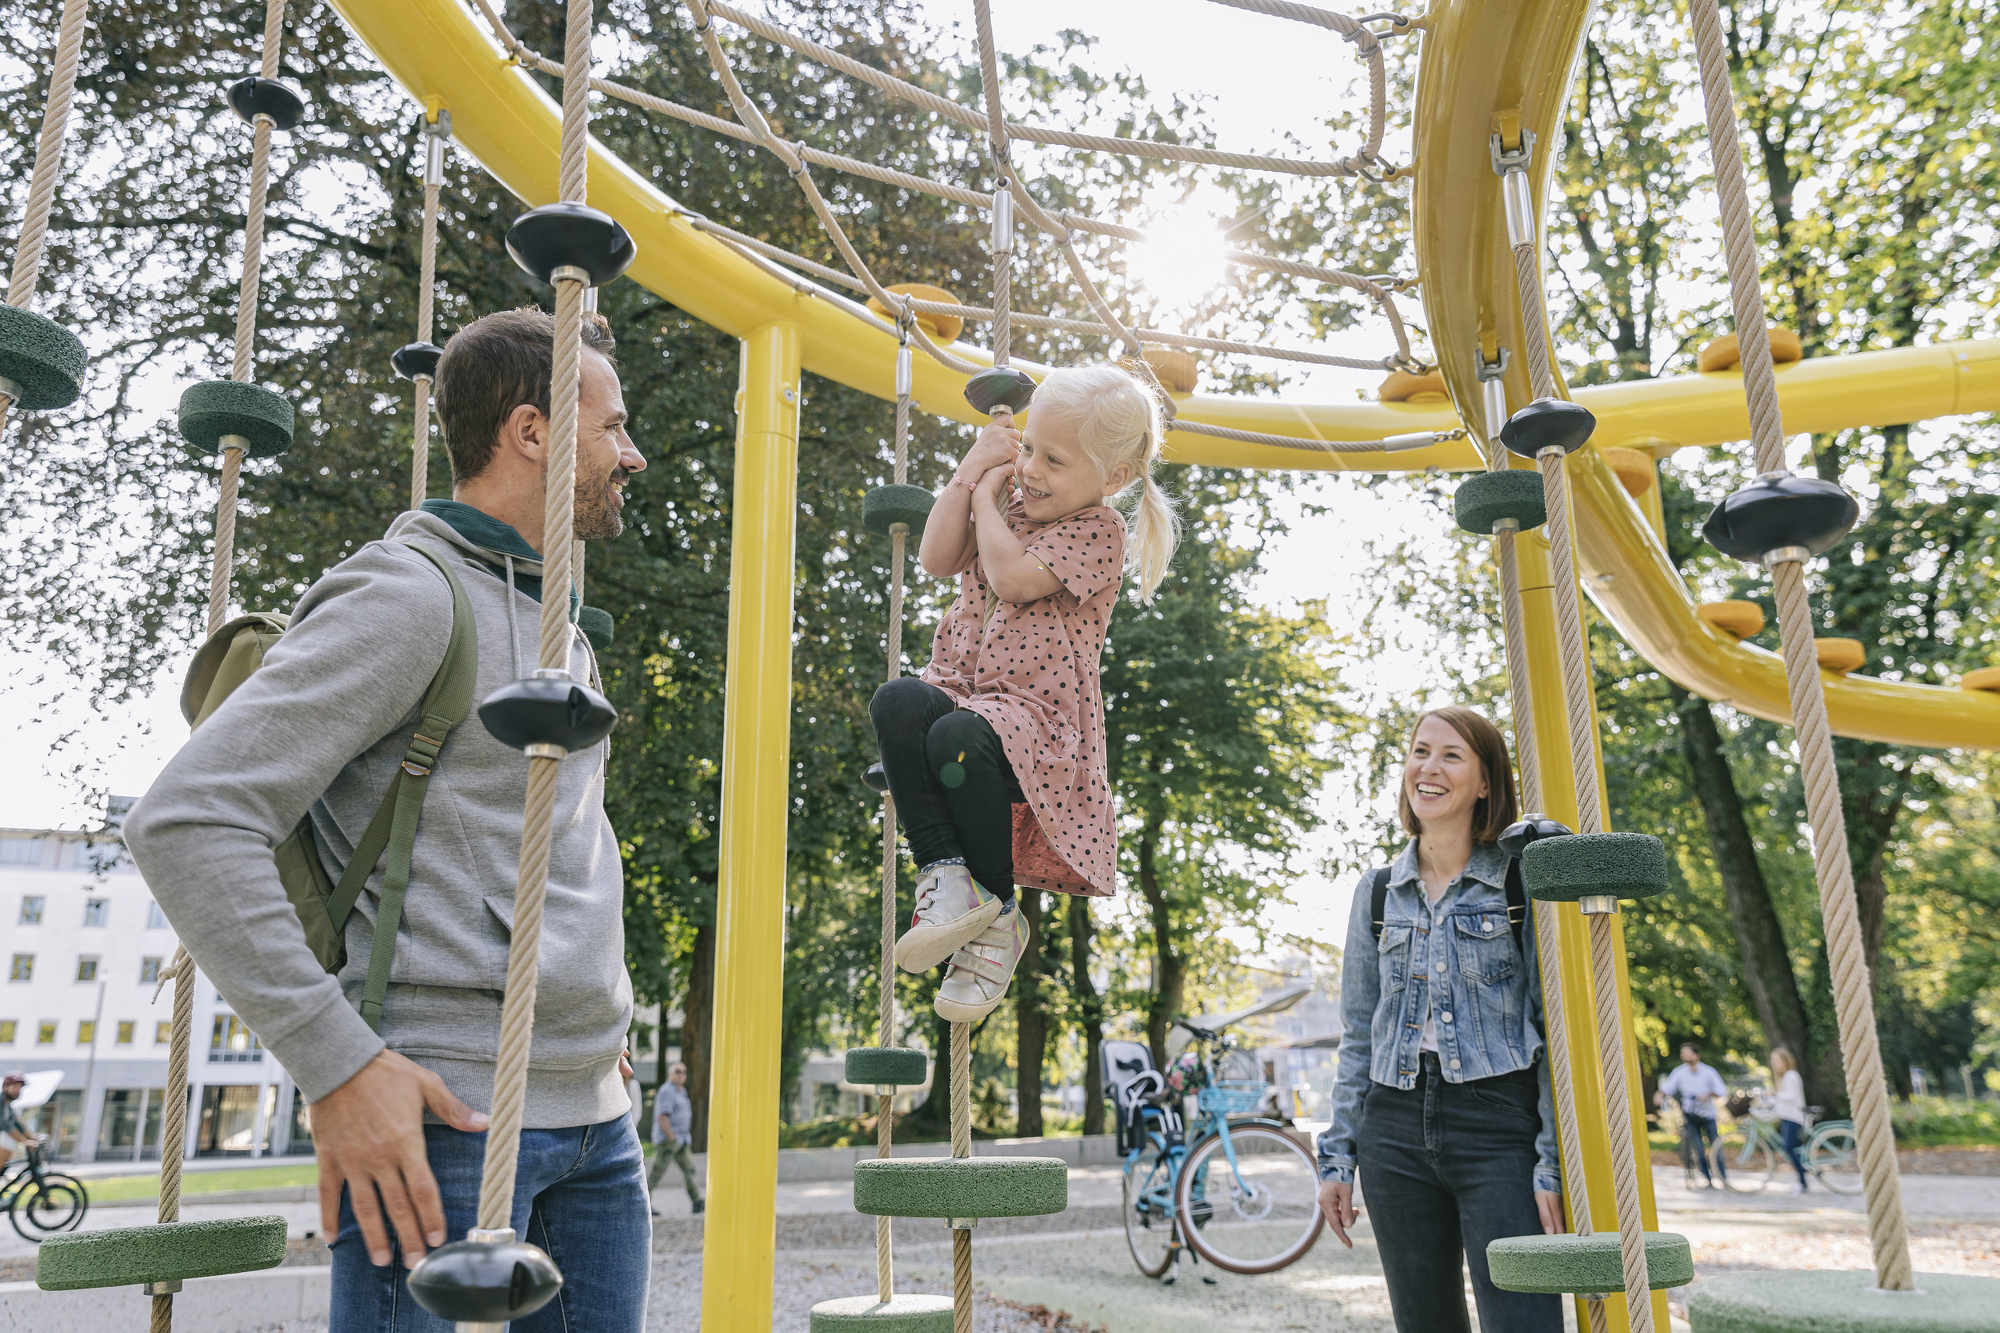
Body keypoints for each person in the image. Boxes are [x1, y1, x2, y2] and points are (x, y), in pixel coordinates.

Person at [125, 308, 651, 1332]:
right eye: (612, 426)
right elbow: (186, 819)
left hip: (596, 1119)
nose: (630, 454)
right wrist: (337, 1063)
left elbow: (547, 841)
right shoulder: (408, 597)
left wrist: (592, 1012)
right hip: (440, 1120)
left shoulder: (558, 627)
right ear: (531, 433)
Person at [871, 365, 1178, 1021]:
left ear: (1112, 478)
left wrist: (987, 498)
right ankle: (946, 875)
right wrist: (971, 471)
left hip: (1036, 728)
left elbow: (1011, 578)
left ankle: (1001, 918)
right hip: (964, 695)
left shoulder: (1100, 532)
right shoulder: (1011, 498)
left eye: (1054, 460)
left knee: (954, 735)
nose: (1031, 468)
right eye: (1029, 447)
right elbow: (936, 556)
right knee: (897, 702)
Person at [1315, 707, 1563, 1333]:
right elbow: (1358, 1035)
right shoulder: (1377, 891)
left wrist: (1551, 1162)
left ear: (1486, 782)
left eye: (1451, 755)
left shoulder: (1518, 883)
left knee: (1524, 1321)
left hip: (1498, 1128)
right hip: (1393, 1129)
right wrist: (1338, 1158)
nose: (1428, 767)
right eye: (1420, 751)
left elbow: (1553, 1032)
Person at [1656, 1042, 1730, 1189]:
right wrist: (1659, 1094)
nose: (1684, 1056)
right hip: (1690, 1115)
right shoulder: (1679, 1072)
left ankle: (1722, 1177)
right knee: (1698, 1147)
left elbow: (1721, 1091)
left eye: (1687, 1053)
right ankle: (1707, 1179)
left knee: (1715, 1146)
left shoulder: (1709, 1072)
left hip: (1708, 1114)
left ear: (1696, 1055)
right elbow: (1668, 1087)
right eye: (1683, 1053)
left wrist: (1708, 1094)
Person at [646, 1063, 702, 1215]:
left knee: (690, 1169)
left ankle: (697, 1201)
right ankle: (642, 1204)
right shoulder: (667, 1091)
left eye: (684, 1072)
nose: (681, 1074)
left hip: (682, 1140)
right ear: (670, 1074)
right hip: (669, 1140)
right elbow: (663, 1116)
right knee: (657, 1172)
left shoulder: (681, 1091)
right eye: (677, 1071)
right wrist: (671, 1137)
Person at [1770, 1046, 1810, 1193]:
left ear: (1785, 1061)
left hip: (1793, 1117)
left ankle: (1802, 1180)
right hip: (1786, 1116)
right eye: (1773, 1060)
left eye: (1777, 1060)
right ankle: (1802, 1176)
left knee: (1788, 1148)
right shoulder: (1784, 1077)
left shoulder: (1791, 1075)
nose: (1774, 1063)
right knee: (1793, 1149)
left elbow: (1791, 1097)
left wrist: (1774, 1094)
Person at [0, 1072, 32, 1171]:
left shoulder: (7, 1107)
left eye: (19, 1087)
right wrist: (25, 1142)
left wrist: (34, 1138)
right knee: (7, 1142)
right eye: (14, 1087)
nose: (17, 1090)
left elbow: (17, 1124)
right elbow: (5, 1125)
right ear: (5, 1087)